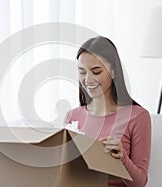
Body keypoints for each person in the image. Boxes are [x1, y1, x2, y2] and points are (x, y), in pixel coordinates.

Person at [64, 36, 151, 187]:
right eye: (82, 72)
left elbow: (140, 183)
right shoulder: (72, 116)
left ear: (114, 72)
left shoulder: (138, 116)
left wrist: (122, 158)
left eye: (96, 72)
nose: (88, 80)